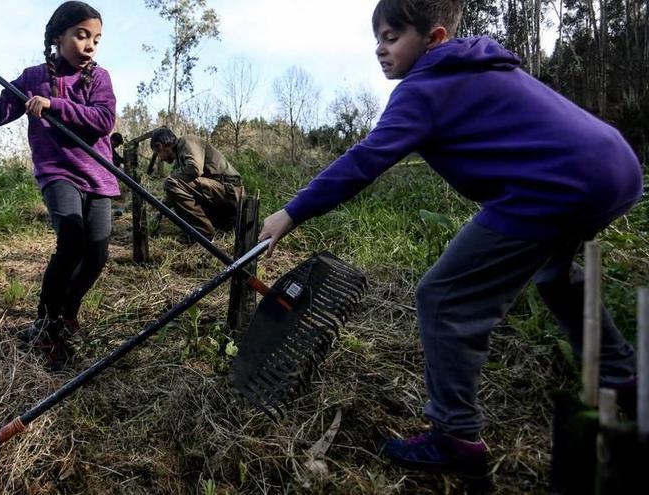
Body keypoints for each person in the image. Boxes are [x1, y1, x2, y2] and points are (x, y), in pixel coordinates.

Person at [258, 0, 642, 480]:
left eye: (393, 37)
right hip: (615, 168)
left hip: (552, 187)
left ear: (434, 37)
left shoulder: (423, 88)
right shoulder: (477, 66)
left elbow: (364, 161)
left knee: (443, 298)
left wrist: (290, 213)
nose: (380, 49)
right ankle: (623, 376)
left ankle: (455, 438)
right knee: (554, 274)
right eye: (376, 39)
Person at [0, 1, 117, 370]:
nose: (90, 45)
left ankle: (68, 311)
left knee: (97, 254)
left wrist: (55, 105)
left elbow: (103, 120)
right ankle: (46, 325)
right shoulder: (31, 78)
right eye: (81, 35)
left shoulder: (99, 78)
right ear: (58, 36)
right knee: (72, 239)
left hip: (99, 175)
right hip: (58, 172)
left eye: (96, 38)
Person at [150, 128, 244, 241]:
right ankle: (218, 224)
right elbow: (172, 193)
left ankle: (202, 234)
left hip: (231, 192)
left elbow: (195, 169)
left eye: (158, 154)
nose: (160, 159)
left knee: (170, 182)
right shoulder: (179, 160)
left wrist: (171, 180)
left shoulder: (187, 141)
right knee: (172, 183)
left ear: (160, 146)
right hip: (221, 194)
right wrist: (158, 214)